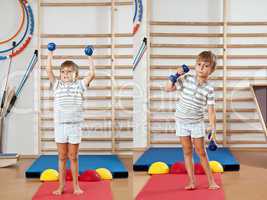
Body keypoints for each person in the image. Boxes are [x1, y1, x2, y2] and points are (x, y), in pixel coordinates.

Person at [165, 51, 220, 190]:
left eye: (206, 66)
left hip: (196, 123)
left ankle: (211, 181)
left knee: (201, 152)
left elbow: (211, 111)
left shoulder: (209, 89)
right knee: (187, 151)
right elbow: (168, 88)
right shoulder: (187, 79)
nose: (201, 68)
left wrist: (213, 128)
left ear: (211, 70)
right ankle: (191, 181)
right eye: (199, 64)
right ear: (195, 65)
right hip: (181, 122)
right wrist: (176, 75)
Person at [46, 48, 95, 195]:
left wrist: (89, 57)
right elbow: (48, 70)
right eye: (62, 72)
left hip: (75, 126)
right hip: (60, 126)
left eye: (69, 72)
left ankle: (75, 186)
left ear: (76, 74)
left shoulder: (79, 85)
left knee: (73, 157)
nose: (65, 74)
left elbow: (92, 74)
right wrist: (50, 53)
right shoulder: (57, 85)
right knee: (62, 157)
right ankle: (61, 187)